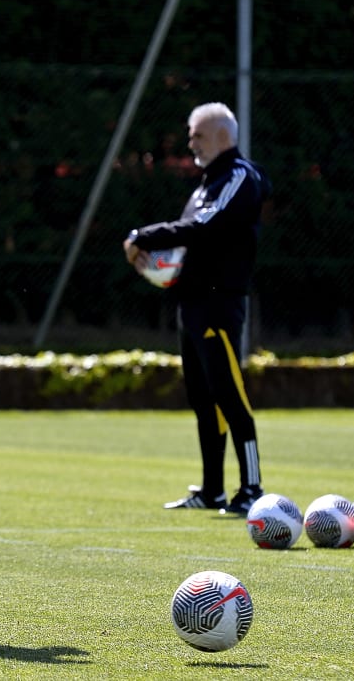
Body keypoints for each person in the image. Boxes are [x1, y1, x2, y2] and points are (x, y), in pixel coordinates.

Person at [123, 102, 272, 516]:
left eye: (197, 135)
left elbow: (206, 227)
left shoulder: (240, 175)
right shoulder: (206, 183)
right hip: (191, 305)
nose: (190, 142)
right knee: (203, 400)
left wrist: (143, 236)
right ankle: (212, 491)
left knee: (230, 395)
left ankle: (252, 488)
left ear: (223, 137)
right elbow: (191, 240)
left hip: (219, 304)